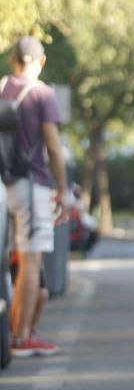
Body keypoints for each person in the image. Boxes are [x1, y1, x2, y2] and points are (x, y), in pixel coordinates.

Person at [2, 36, 69, 357]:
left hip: (4, 186)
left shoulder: (1, 88)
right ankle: (20, 337)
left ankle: (17, 332)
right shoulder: (42, 93)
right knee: (31, 260)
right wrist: (63, 190)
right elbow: (53, 147)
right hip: (32, 186)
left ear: (12, 60)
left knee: (10, 260)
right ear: (40, 61)